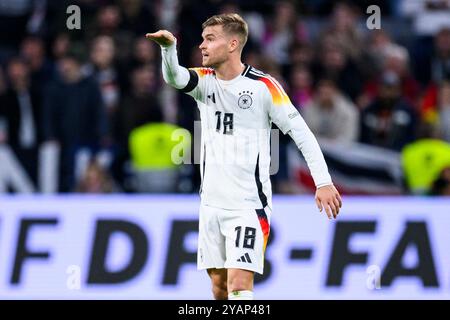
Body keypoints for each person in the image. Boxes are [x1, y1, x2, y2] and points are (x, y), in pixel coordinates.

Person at [146, 13, 342, 300]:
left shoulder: (264, 87)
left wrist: (322, 182)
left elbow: (301, 133)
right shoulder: (204, 81)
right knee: (219, 287)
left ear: (233, 44)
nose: (202, 45)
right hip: (211, 203)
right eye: (203, 39)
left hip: (247, 206)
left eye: (210, 39)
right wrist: (168, 48)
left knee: (239, 284)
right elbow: (175, 77)